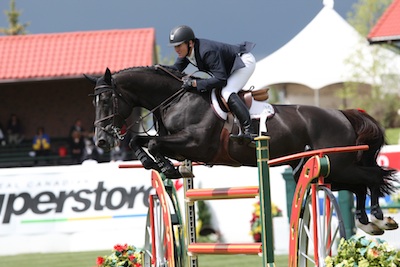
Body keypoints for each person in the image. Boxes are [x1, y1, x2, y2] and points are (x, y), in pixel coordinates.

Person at [168, 25, 257, 143]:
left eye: (179, 46)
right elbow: (174, 70)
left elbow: (221, 80)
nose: (176, 49)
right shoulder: (186, 53)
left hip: (243, 62)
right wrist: (157, 69)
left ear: (190, 43)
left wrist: (195, 83)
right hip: (230, 68)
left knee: (227, 91)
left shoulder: (207, 51)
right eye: (175, 46)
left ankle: (249, 131)